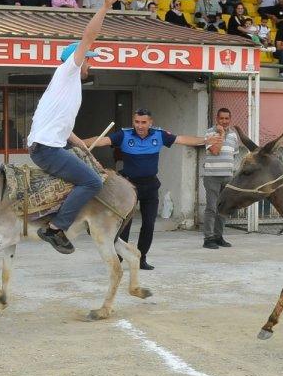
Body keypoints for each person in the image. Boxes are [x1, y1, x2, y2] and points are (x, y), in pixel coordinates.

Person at [26, 0, 118, 255]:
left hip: (48, 146)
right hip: (47, 149)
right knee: (91, 181)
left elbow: (65, 130)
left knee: (85, 168)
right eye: (87, 58)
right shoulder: (68, 70)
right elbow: (89, 36)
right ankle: (55, 229)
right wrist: (105, 7)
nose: (89, 62)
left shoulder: (68, 87)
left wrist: (83, 148)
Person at [85, 109, 210, 270]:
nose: (140, 125)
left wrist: (206, 140)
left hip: (150, 187)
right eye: (137, 122)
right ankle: (121, 257)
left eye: (143, 122)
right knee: (125, 224)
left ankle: (141, 258)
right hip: (128, 188)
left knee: (148, 224)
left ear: (150, 122)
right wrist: (75, 140)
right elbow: (100, 140)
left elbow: (183, 139)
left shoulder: (159, 135)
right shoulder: (124, 135)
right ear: (133, 122)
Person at [201, 107, 240, 249]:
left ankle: (218, 236)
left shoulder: (234, 136)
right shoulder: (210, 133)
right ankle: (208, 238)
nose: (224, 121)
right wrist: (222, 133)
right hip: (212, 176)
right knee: (212, 208)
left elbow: (233, 154)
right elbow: (216, 151)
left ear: (230, 119)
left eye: (227, 119)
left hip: (227, 176)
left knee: (223, 208)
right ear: (217, 119)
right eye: (221, 118)